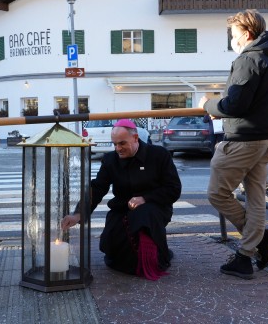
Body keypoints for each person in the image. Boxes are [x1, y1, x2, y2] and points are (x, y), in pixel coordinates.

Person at [197, 9, 268, 279]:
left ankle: (256, 242)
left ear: (246, 35)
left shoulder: (249, 60)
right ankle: (247, 255)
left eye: (233, 35)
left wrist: (208, 105)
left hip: (243, 140)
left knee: (217, 194)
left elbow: (235, 103)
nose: (232, 41)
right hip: (267, 139)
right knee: (256, 197)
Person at [61, 119, 181, 281]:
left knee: (143, 216)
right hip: (123, 209)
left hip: (155, 208)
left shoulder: (159, 155)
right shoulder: (110, 159)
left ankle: (152, 259)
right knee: (111, 245)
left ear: (136, 138)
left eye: (122, 143)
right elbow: (97, 188)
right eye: (115, 144)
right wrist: (78, 214)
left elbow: (173, 189)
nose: (118, 149)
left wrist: (145, 198)